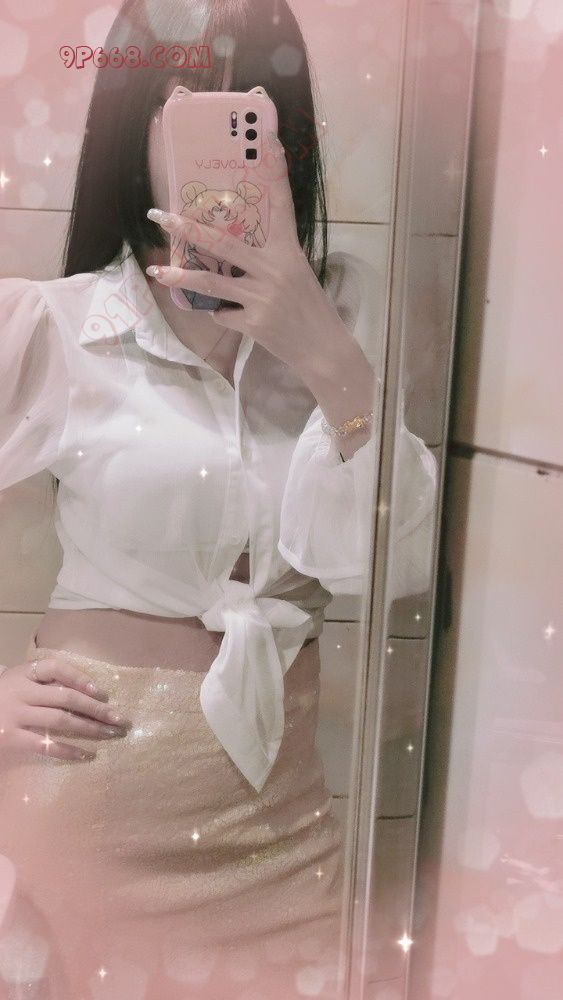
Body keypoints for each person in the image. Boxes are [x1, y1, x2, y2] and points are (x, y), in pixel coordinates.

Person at [0, 1, 437, 997]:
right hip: (85, 812)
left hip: (281, 830)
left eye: (251, 105)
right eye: (184, 98)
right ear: (135, 126)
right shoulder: (55, 328)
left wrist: (319, 347)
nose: (220, 133)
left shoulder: (348, 312)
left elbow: (398, 560)